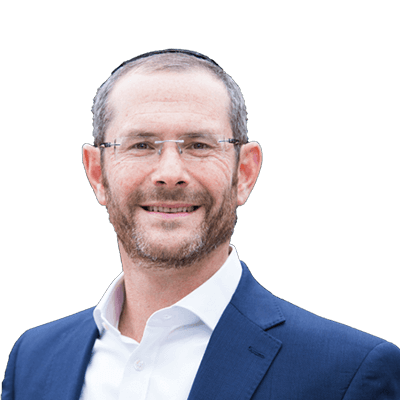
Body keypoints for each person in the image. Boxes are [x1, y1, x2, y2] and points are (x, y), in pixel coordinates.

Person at [2, 49, 400, 400]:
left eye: (198, 145)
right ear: (96, 174)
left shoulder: (349, 371)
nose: (169, 174)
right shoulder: (33, 359)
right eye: (141, 145)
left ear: (244, 172)